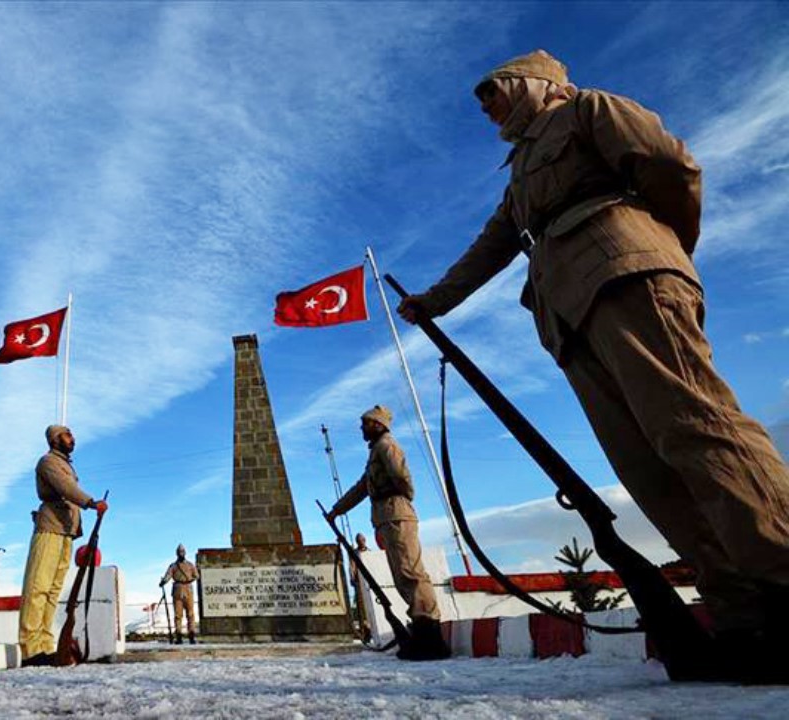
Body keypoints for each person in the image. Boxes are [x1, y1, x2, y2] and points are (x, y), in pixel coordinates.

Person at [396, 49, 789, 682]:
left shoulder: (587, 109)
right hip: (569, 315)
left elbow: (670, 166)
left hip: (627, 279)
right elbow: (489, 249)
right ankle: (744, 617)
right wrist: (431, 303)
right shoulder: (520, 173)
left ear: (532, 82)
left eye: (493, 90)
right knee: (648, 468)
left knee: (698, 431)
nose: (487, 106)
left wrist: (651, 246)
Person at [327, 405, 449, 660]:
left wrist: (403, 497)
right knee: (401, 574)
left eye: (366, 424)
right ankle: (420, 626)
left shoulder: (386, 445)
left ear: (378, 424)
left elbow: (402, 475)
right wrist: (337, 510)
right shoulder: (375, 452)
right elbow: (362, 487)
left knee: (410, 572)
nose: (362, 428)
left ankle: (429, 633)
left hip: (396, 512)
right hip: (386, 515)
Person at [18, 424, 107, 667]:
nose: (72, 438)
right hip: (50, 527)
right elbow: (66, 488)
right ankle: (30, 648)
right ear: (54, 439)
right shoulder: (48, 462)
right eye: (67, 434)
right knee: (38, 588)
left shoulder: (67, 465)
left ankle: (45, 646)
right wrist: (90, 503)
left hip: (67, 532)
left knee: (53, 591)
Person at [158, 544, 199, 644]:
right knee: (178, 615)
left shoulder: (190, 565)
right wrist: (163, 582)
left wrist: (189, 580)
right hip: (177, 590)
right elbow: (168, 575)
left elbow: (196, 575)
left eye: (182, 552)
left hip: (188, 590)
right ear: (177, 554)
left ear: (185, 553)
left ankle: (191, 635)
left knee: (190, 614)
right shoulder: (173, 566)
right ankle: (179, 636)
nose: (181, 554)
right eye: (179, 552)